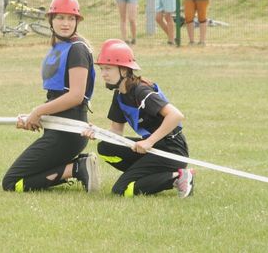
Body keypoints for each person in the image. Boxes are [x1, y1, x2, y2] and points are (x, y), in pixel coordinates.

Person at [2, 0, 100, 193]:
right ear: (51, 20)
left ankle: (76, 168)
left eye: (70, 19)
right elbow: (55, 96)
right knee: (21, 179)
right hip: (55, 128)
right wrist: (35, 117)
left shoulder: (77, 50)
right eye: (60, 18)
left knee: (12, 183)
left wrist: (38, 111)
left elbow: (76, 96)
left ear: (77, 21)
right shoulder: (60, 47)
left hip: (68, 132)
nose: (65, 23)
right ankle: (78, 166)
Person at [83, 39, 194, 198]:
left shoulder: (141, 91)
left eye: (108, 68)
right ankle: (144, 174)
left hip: (171, 149)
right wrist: (97, 132)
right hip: (153, 147)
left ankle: (178, 177)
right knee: (105, 147)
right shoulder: (119, 94)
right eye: (101, 69)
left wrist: (149, 141)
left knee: (121, 190)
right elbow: (116, 131)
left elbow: (175, 116)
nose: (103, 74)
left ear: (123, 70)